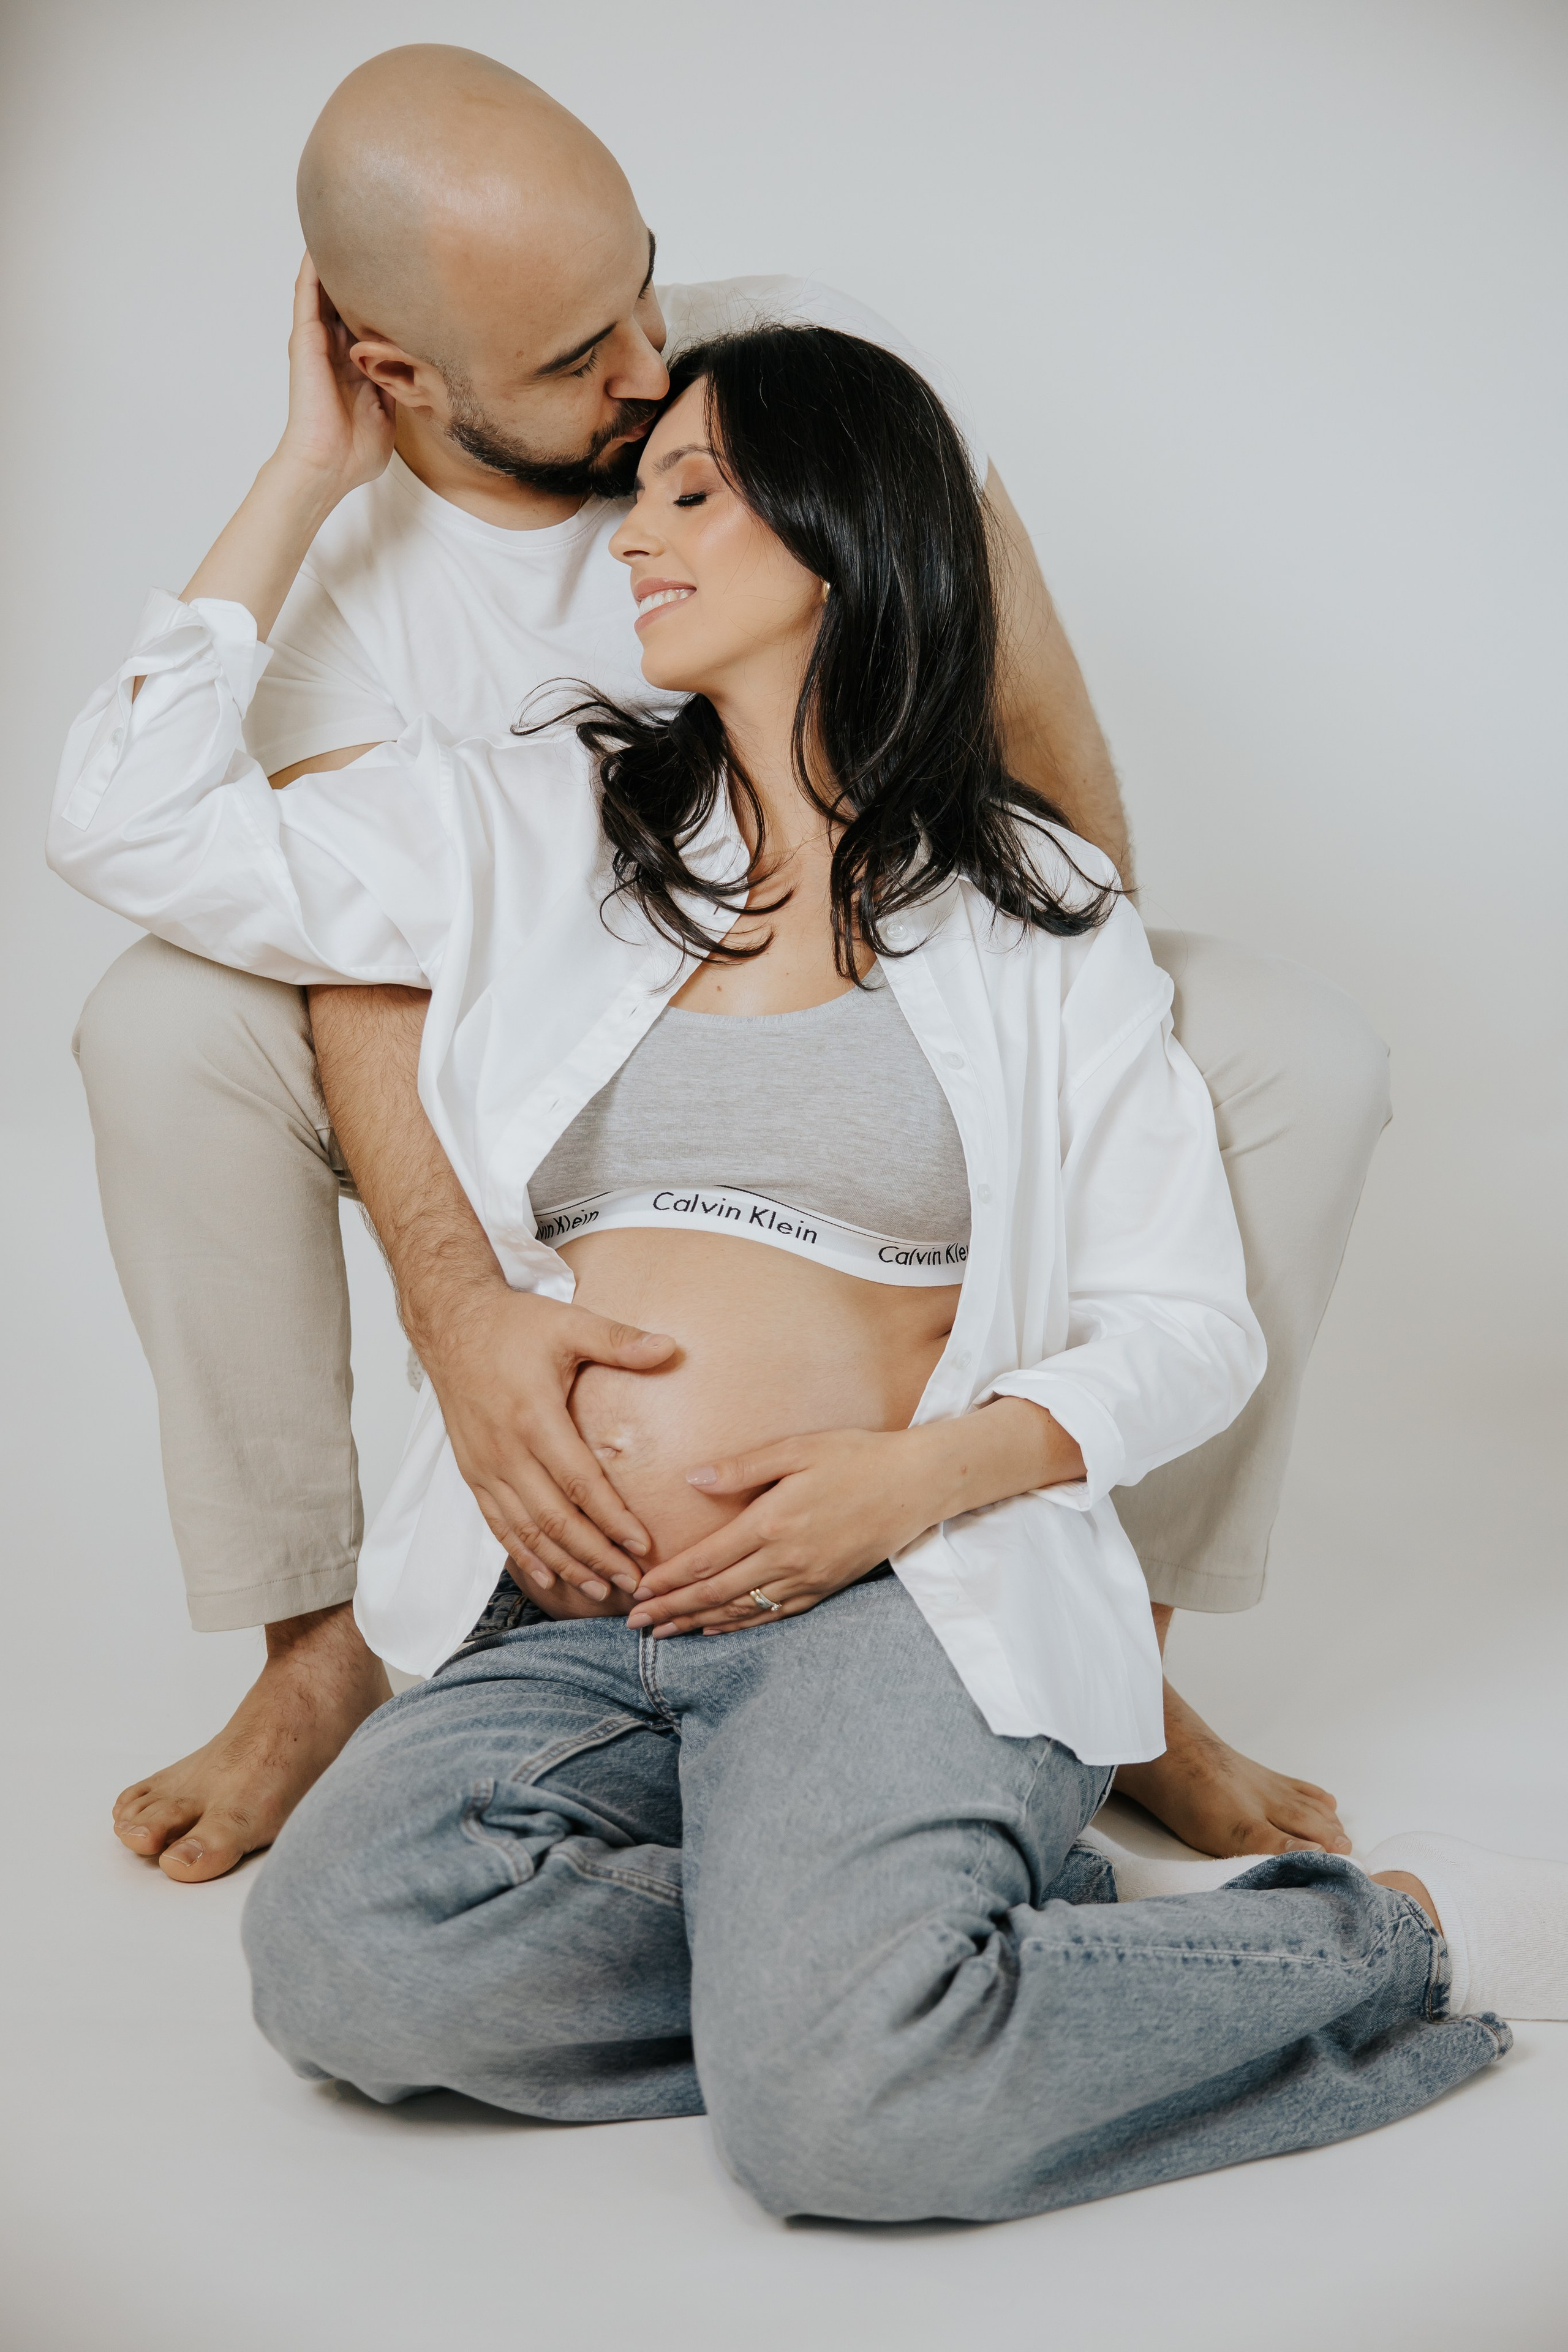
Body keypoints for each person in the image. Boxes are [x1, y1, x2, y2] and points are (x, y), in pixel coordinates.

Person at [50, 301, 1567, 2220]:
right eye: (641, 494)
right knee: (344, 1968)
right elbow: (125, 821)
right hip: (575, 1615)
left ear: (841, 530)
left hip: (903, 1601)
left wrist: (922, 1477)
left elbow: (1184, 1324)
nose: (629, 535)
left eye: (691, 489)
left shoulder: (1042, 910)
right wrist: (308, 473)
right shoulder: (538, 825)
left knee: (844, 2128)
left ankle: (1396, 1942)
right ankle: (925, 1955)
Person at [70, 44, 1390, 1887]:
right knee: (155, 1021)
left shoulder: (782, 365)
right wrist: (463, 1319)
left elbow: (1025, 704)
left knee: (1294, 1055)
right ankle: (324, 1654)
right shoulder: (377, 621)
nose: (644, 374)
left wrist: (1044, 999)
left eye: (642, 295)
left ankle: (1110, 1658)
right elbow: (341, 951)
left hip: (911, 923)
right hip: (559, 1035)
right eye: (573, 364)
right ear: (391, 372)